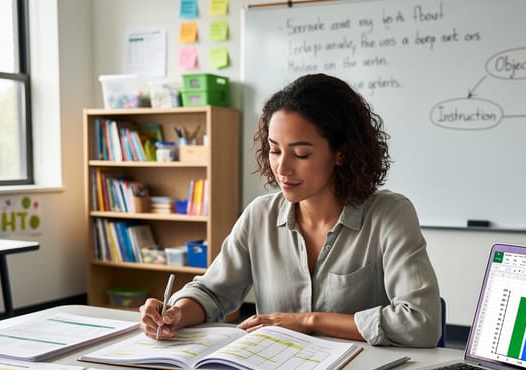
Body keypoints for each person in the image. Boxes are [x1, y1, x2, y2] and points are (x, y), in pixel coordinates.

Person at [140, 73, 441, 347]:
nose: (282, 168)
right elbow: (212, 293)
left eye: (301, 153)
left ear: (341, 152)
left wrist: (309, 321)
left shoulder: (389, 215)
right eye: (274, 150)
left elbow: (421, 323)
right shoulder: (260, 215)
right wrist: (177, 312)